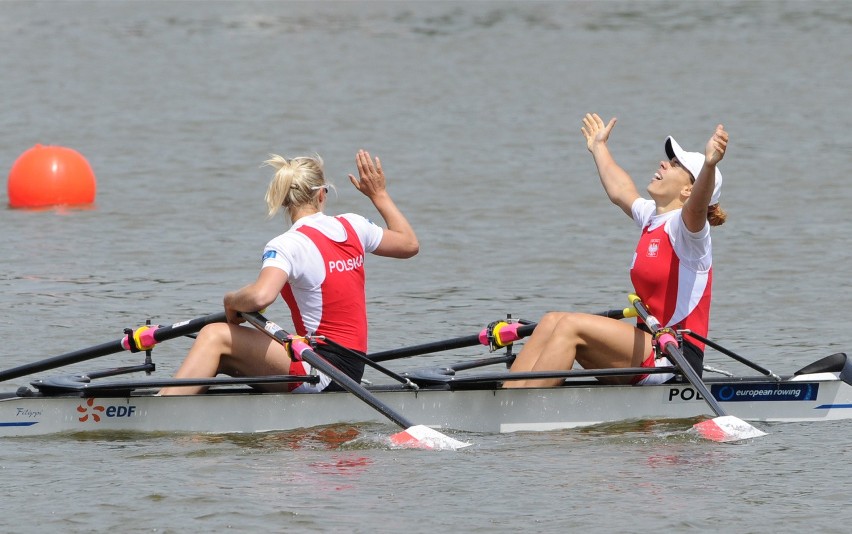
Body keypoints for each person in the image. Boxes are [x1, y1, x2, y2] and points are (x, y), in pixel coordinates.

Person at [160, 149, 419, 395]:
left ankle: (161, 410)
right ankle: (194, 410)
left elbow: (261, 297)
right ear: (322, 194)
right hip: (352, 366)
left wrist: (231, 300)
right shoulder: (355, 225)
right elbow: (409, 244)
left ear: (285, 201)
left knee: (214, 335)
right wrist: (379, 194)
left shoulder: (288, 244)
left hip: (323, 371)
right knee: (226, 354)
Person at [505, 113, 728, 388]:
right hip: (651, 348)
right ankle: (509, 400)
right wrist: (599, 147)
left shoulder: (689, 233)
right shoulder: (652, 217)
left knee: (569, 326)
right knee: (551, 320)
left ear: (688, 190)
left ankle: (524, 414)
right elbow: (620, 190)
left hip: (674, 359)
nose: (663, 163)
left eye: (675, 164)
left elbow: (697, 207)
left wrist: (708, 165)